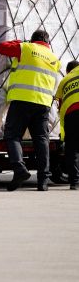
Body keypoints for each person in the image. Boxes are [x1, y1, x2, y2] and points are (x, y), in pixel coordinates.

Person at [0, 29, 62, 191]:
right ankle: (43, 181)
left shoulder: (26, 48)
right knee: (41, 140)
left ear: (33, 40)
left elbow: (1, 48)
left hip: (23, 99)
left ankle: (19, 169)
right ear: (47, 43)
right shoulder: (54, 59)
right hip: (44, 104)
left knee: (13, 135)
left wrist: (20, 42)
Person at [54, 60, 79, 190]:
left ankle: (74, 182)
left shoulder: (65, 80)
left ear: (68, 71)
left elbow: (59, 101)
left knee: (72, 149)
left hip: (71, 114)